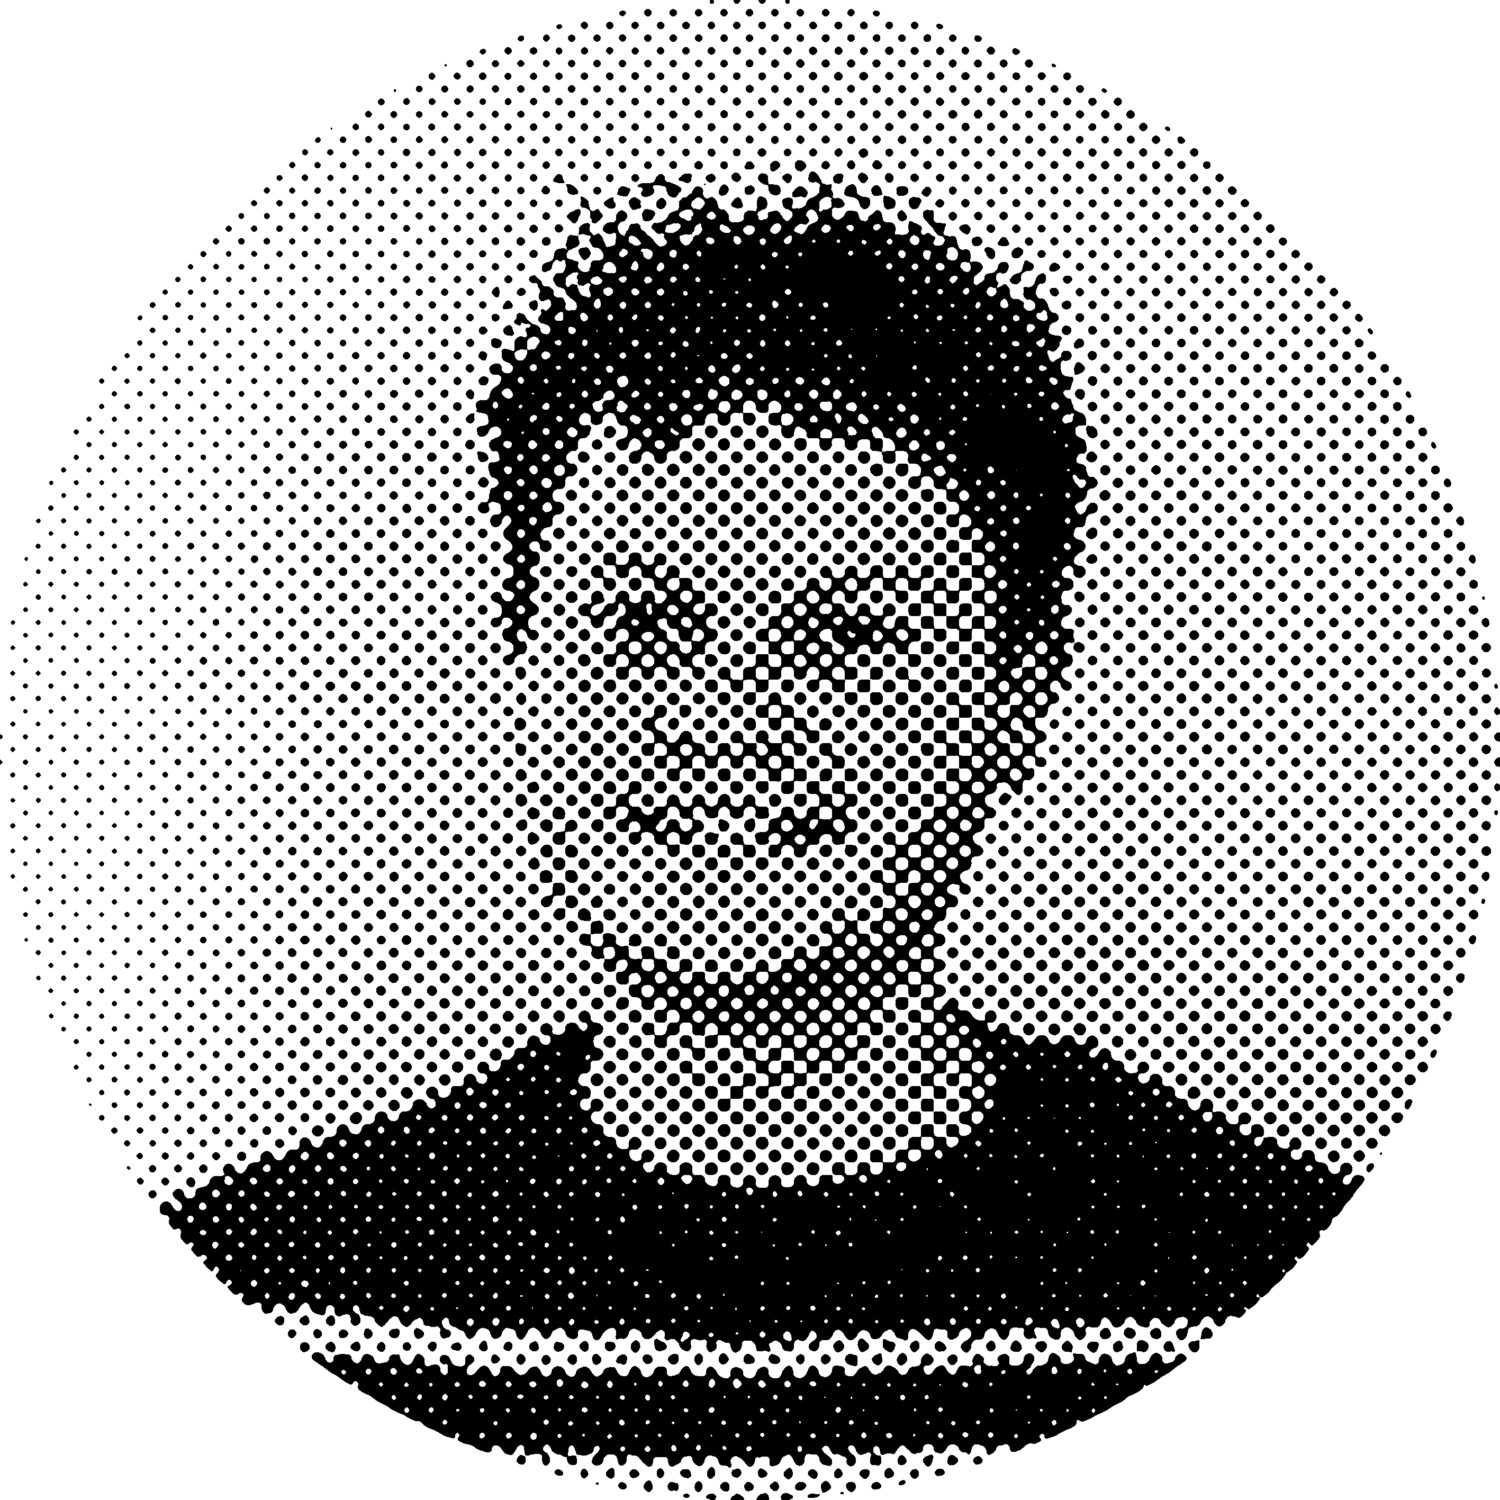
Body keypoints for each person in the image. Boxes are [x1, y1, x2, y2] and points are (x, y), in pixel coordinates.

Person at [166, 182, 1356, 1461]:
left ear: (1017, 699)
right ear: (514, 668)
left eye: (841, 640)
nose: (730, 723)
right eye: (647, 627)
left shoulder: (1260, 1283)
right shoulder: (271, 1288)